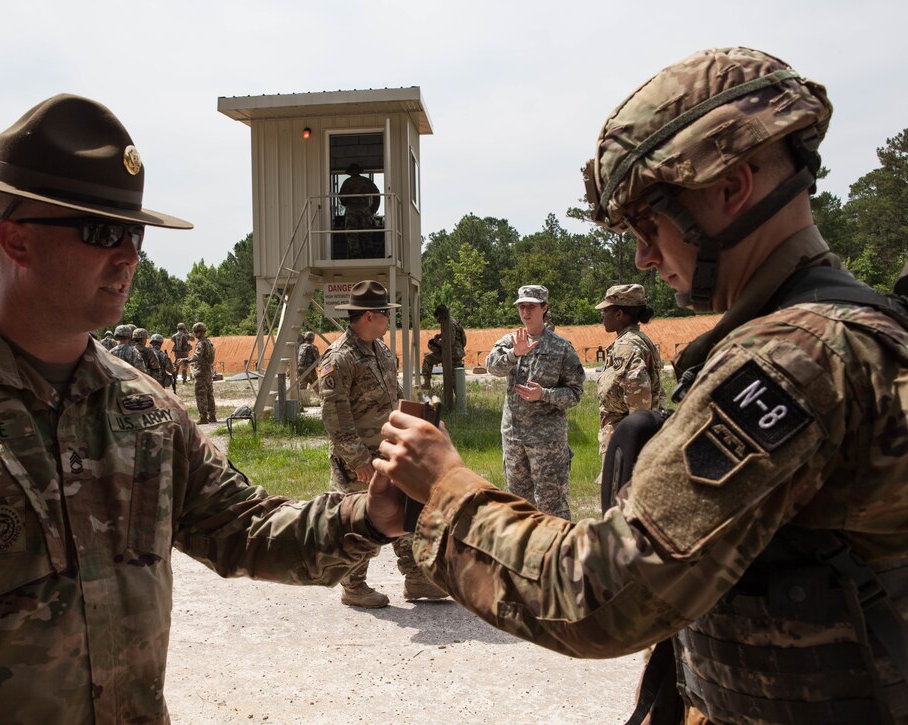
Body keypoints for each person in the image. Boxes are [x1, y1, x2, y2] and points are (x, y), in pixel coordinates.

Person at [0, 93, 405, 724]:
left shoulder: (143, 409)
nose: (128, 256)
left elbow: (246, 531)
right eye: (100, 232)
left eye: (135, 233)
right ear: (16, 239)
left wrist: (371, 516)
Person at [375, 48, 908, 724]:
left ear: (732, 187)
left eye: (649, 223)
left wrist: (444, 488)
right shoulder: (850, 324)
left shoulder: (793, 359)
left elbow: (597, 595)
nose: (644, 256)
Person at [318, 280, 447, 607]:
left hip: (388, 451)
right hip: (360, 460)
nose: (390, 320)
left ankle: (416, 578)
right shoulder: (339, 358)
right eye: (386, 314)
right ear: (369, 316)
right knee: (361, 521)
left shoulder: (383, 352)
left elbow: (394, 399)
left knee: (404, 511)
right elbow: (335, 415)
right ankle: (354, 586)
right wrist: (357, 460)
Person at [485, 285, 584, 519]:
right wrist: (514, 354)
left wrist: (545, 394)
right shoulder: (510, 341)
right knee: (519, 505)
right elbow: (492, 366)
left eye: (531, 306)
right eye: (521, 306)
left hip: (547, 440)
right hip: (514, 436)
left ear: (544, 308)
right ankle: (525, 553)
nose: (525, 311)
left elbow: (575, 393)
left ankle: (560, 553)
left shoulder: (561, 348)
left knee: (552, 505)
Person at [594, 283, 665, 479]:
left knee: (620, 498)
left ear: (619, 314)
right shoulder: (637, 339)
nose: (603, 316)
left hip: (626, 437)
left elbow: (639, 392)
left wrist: (634, 437)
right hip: (629, 434)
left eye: (606, 310)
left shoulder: (626, 344)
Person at [420, 304, 466, 390]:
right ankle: (427, 383)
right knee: (429, 359)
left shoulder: (450, 324)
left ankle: (427, 383)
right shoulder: (450, 321)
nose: (438, 322)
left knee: (454, 381)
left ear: (442, 316)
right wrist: (440, 335)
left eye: (438, 319)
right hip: (452, 353)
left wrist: (437, 342)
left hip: (452, 354)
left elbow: (450, 342)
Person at [339, 163, 380, 257]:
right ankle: (367, 254)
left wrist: (373, 209)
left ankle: (355, 254)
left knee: (352, 234)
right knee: (366, 233)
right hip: (364, 211)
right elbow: (376, 193)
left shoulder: (347, 182)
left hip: (352, 211)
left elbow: (342, 199)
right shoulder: (366, 181)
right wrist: (372, 209)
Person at [189, 321, 216, 423]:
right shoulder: (209, 342)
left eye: (196, 332)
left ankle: (203, 417)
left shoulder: (201, 343)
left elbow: (197, 356)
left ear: (200, 332)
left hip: (201, 372)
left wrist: (186, 359)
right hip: (208, 371)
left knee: (200, 395)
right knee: (209, 394)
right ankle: (212, 416)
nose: (195, 334)